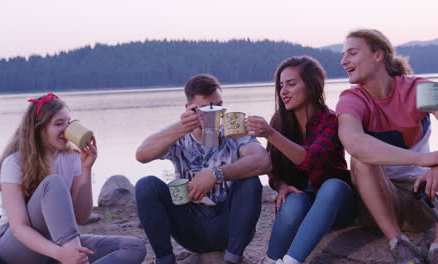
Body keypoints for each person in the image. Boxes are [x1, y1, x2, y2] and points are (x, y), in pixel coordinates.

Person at [0, 93, 146, 264]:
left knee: (134, 247)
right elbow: (19, 228)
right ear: (38, 128)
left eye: (68, 123)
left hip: (59, 243)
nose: (66, 130)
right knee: (53, 182)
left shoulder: (72, 158)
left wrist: (86, 169)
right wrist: (62, 254)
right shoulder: (14, 163)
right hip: (15, 247)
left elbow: (81, 216)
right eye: (58, 124)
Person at [135, 74, 272, 264]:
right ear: (189, 109)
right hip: (190, 226)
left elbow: (264, 161)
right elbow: (141, 155)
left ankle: (232, 260)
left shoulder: (232, 131)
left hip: (230, 226)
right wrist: (181, 128)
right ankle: (165, 260)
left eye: (219, 105)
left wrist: (216, 174)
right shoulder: (178, 135)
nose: (216, 113)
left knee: (249, 180)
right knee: (146, 185)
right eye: (208, 108)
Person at [336, 28, 438, 264]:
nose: (343, 61)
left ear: (378, 54)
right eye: (343, 55)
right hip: (380, 202)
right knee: (361, 157)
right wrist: (421, 159)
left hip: (424, 197)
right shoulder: (351, 99)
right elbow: (354, 142)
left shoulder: (420, 89)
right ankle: (398, 244)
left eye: (352, 53)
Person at [247, 56, 356, 264]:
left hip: (337, 204)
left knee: (333, 186)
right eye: (281, 86)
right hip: (304, 200)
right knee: (293, 200)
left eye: (291, 84)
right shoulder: (279, 122)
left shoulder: (331, 121)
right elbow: (273, 169)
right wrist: (281, 185)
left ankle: (290, 262)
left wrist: (270, 134)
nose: (283, 92)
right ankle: (271, 260)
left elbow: (311, 160)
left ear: (312, 86)